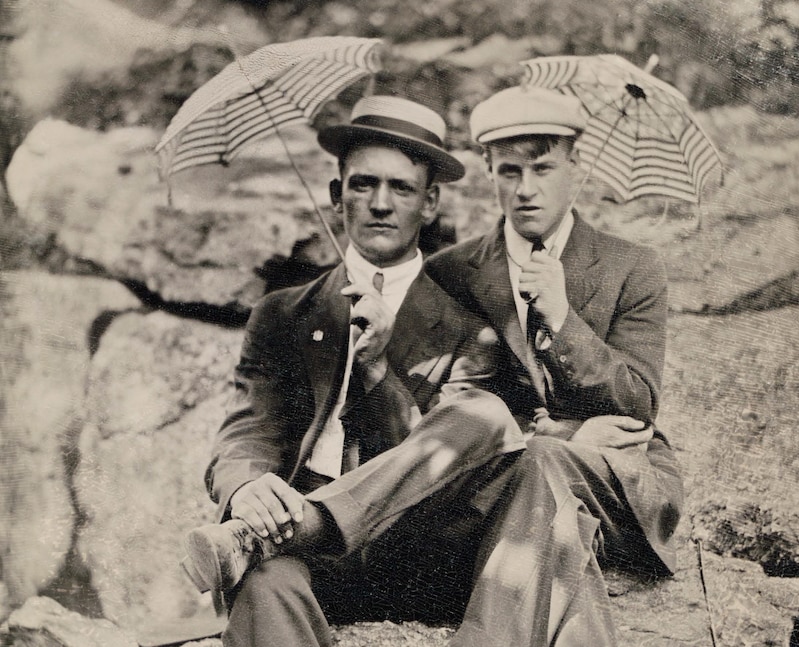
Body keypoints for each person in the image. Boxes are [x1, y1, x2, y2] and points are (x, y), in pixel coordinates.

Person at [182, 96, 526, 647]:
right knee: (263, 579)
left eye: (403, 189)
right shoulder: (283, 313)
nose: (381, 204)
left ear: (430, 203)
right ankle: (271, 535)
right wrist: (246, 489)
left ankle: (285, 530)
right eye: (363, 184)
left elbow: (443, 473)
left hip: (419, 557)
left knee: (482, 416)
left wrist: (376, 370)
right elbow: (249, 427)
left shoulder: (472, 328)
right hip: (306, 557)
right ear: (336, 195)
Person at [425, 85, 685, 645]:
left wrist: (563, 318)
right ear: (488, 172)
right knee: (547, 476)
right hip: (505, 480)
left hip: (623, 484)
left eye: (543, 168)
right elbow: (452, 406)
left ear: (577, 169)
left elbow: (639, 403)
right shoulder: (451, 272)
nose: (526, 189)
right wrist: (567, 433)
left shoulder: (633, 266)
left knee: (546, 459)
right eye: (509, 171)